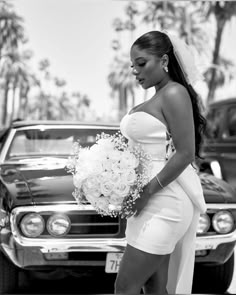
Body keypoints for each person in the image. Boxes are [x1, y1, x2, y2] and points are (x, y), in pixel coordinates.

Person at [116, 30, 207, 294]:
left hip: (164, 201)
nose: (135, 71)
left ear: (164, 60)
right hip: (146, 200)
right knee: (156, 288)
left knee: (124, 287)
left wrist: (146, 192)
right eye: (133, 66)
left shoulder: (174, 93)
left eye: (142, 63)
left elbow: (185, 152)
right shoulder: (156, 96)